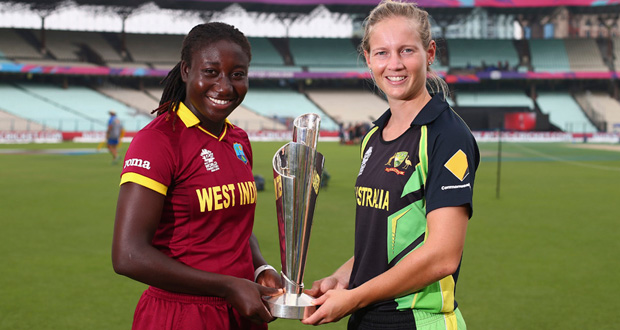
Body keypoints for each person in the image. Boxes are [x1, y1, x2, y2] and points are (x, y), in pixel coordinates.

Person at [302, 1, 480, 329]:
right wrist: (342, 279)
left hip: (419, 320)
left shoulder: (447, 135)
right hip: (367, 318)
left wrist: (355, 297)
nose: (394, 64)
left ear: (429, 53)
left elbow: (443, 255)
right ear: (368, 58)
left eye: (406, 51)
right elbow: (385, 243)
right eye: (382, 53)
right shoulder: (372, 137)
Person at [111, 22, 283, 330]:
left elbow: (233, 227)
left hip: (242, 310)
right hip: (182, 314)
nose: (225, 86)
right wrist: (228, 286)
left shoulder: (238, 139)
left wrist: (259, 266)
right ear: (186, 70)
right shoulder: (159, 140)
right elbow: (128, 254)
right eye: (212, 72)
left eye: (237, 74)